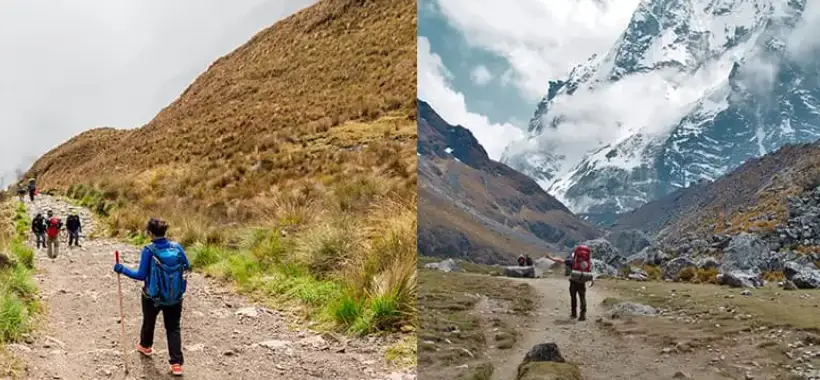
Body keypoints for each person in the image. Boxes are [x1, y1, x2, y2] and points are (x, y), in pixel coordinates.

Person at [113, 218, 190, 377]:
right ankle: (176, 364)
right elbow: (187, 266)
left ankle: (145, 346)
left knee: (149, 322)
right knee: (173, 328)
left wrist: (122, 269)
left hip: (152, 296)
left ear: (150, 233)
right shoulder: (177, 247)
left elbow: (141, 275)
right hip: (174, 297)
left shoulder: (149, 250)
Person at [544, 245, 594, 321]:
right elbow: (590, 270)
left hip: (573, 281)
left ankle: (574, 314)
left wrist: (550, 257)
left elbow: (561, 260)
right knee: (582, 297)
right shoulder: (587, 262)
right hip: (582, 281)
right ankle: (582, 315)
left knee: (573, 298)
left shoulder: (572, 261)